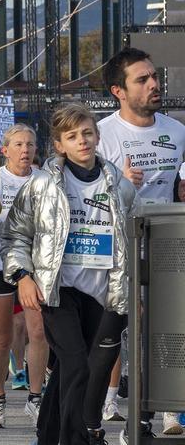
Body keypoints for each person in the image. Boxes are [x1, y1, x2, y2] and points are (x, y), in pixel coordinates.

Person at [3, 102, 135, 445]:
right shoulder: (42, 185)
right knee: (78, 365)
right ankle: (73, 439)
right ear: (59, 144)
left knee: (66, 371)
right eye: (73, 136)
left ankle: (46, 436)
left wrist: (132, 289)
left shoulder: (119, 186)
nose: (83, 141)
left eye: (88, 133)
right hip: (57, 290)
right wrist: (22, 276)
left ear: (97, 136)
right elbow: (16, 234)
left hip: (100, 291)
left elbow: (132, 238)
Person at [96, 47, 183, 438]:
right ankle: (110, 408)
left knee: (169, 329)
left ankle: (169, 408)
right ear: (119, 90)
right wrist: (118, 187)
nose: (154, 84)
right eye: (142, 80)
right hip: (121, 247)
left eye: (154, 76)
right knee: (121, 334)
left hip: (168, 243)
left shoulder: (177, 130)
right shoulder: (100, 134)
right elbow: (84, 198)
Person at [0, 123, 47, 429]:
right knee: (1, 338)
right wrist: (16, 228)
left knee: (38, 332)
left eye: (30, 145)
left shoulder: (45, 181)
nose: (25, 150)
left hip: (34, 269)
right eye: (18, 145)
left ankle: (35, 398)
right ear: (4, 150)